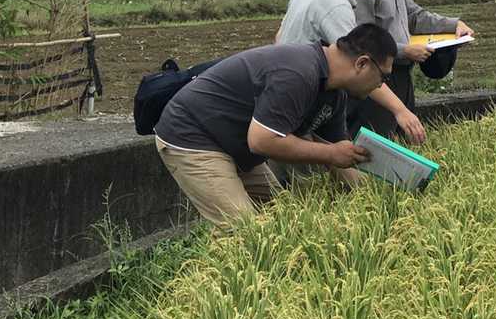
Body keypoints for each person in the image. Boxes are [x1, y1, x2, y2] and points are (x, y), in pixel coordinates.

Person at [153, 24, 397, 227]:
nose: (380, 85)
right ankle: (220, 283)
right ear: (362, 63)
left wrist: (375, 201)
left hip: (236, 144)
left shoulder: (336, 94)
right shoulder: (298, 73)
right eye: (383, 77)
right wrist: (332, 153)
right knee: (244, 229)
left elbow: (338, 154)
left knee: (281, 216)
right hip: (193, 136)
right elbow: (263, 140)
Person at [276, 0, 426, 143]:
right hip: (298, 97)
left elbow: (279, 36)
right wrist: (401, 111)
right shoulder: (335, 4)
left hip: (286, 89)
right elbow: (360, 63)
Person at [351, 0, 474, 138]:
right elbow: (361, 39)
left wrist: (454, 25)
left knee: (405, 139)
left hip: (402, 75)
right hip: (377, 78)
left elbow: (415, 16)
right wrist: (403, 50)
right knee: (379, 144)